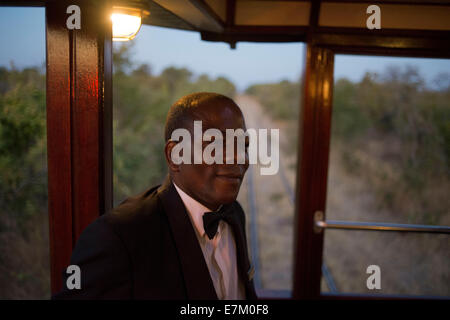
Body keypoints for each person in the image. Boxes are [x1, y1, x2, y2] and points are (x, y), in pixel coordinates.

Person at [53, 92, 257, 300]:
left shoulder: (234, 214)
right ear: (174, 155)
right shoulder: (116, 235)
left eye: (243, 145)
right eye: (215, 144)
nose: (237, 156)